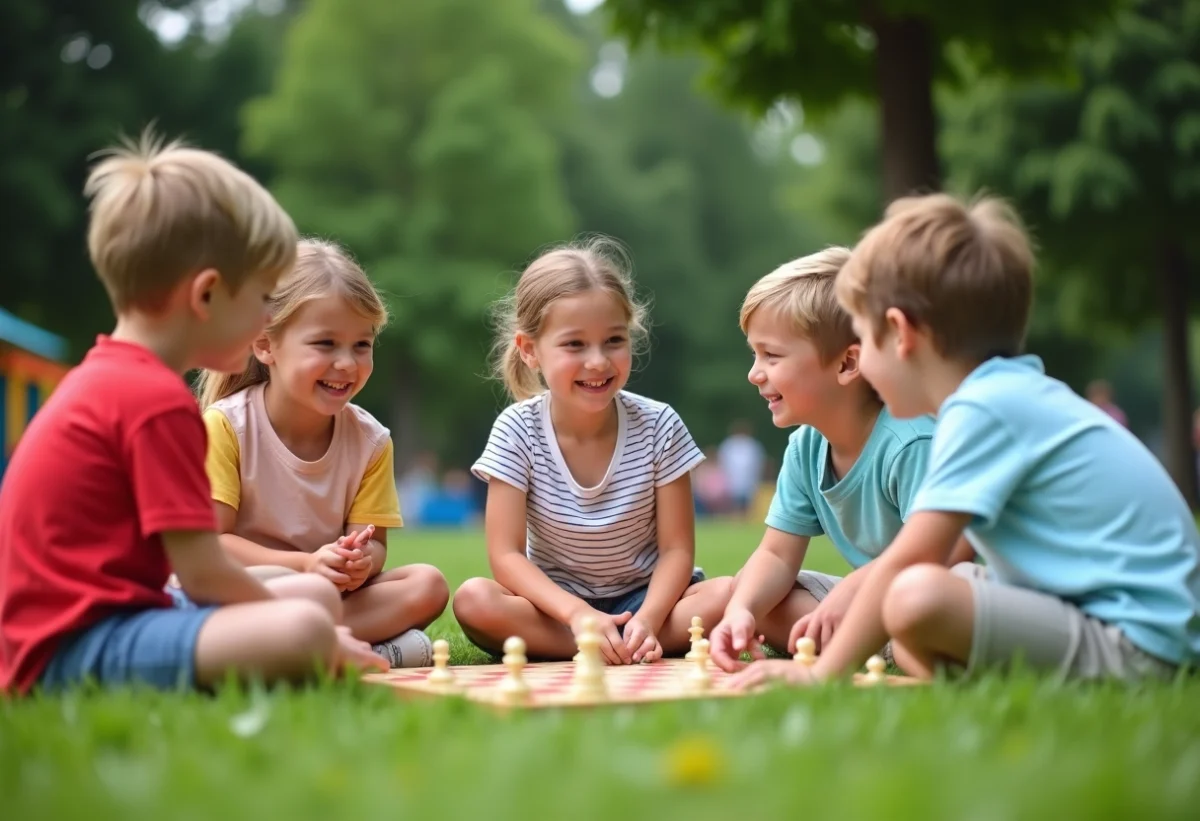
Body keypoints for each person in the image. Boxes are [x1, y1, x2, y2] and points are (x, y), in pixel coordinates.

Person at [734, 193, 1200, 688]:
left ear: (900, 334)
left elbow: (912, 558)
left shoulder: (984, 410)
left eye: (865, 341)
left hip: (1143, 642)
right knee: (925, 605)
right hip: (1116, 620)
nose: (864, 363)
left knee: (916, 596)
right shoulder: (1002, 396)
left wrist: (822, 675)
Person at [0, 132, 387, 695]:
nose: (264, 322)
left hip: (107, 614)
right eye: (259, 299)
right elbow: (205, 574)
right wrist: (314, 635)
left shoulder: (117, 375)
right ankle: (326, 650)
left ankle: (319, 637)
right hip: (71, 646)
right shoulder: (155, 403)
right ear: (206, 295)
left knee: (317, 597)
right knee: (304, 624)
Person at [451, 237, 732, 664]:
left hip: (649, 602)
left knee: (731, 592)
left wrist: (651, 618)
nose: (598, 362)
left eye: (613, 340)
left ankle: (628, 641)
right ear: (530, 351)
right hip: (557, 610)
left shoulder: (660, 425)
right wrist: (579, 616)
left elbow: (676, 549)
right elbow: (505, 555)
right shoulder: (516, 431)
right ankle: (599, 646)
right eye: (575, 345)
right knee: (475, 600)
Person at [708, 248, 972, 673]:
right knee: (755, 596)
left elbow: (943, 553)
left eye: (771, 356)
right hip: (867, 597)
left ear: (848, 362)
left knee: (918, 607)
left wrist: (853, 592)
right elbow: (776, 555)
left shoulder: (909, 442)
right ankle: (861, 640)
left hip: (928, 590)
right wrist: (743, 609)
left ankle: (871, 642)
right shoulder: (804, 448)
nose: (755, 373)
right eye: (754, 355)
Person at [195, 239, 449, 668]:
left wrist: (357, 563)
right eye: (325, 344)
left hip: (330, 593)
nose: (347, 364)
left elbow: (376, 548)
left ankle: (306, 643)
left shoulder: (371, 441)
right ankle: (335, 644)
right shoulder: (227, 426)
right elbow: (212, 544)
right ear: (265, 345)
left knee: (428, 584)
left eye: (361, 345)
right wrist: (305, 564)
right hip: (248, 590)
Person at [717, 420, 766, 515]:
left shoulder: (753, 445)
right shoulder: (729, 445)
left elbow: (758, 463)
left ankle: (745, 515)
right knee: (734, 501)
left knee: (747, 500)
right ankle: (735, 515)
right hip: (731, 479)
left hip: (749, 478)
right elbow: (723, 462)